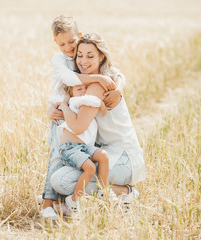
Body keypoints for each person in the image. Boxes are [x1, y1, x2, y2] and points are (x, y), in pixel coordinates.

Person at [50, 33, 145, 209]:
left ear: (102, 57)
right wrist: (53, 109)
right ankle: (80, 197)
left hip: (123, 158)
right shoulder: (90, 80)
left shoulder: (97, 85)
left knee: (61, 180)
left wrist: (63, 106)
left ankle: (123, 192)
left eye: (90, 56)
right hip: (103, 153)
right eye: (80, 55)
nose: (83, 61)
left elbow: (77, 127)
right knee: (63, 172)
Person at [40, 15, 122, 220]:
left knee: (70, 161)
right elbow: (69, 79)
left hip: (76, 115)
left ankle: (64, 201)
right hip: (60, 112)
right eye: (62, 44)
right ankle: (47, 203)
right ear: (55, 43)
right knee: (57, 157)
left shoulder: (81, 56)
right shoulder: (59, 60)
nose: (68, 47)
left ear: (79, 36)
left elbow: (117, 72)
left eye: (71, 42)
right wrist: (98, 78)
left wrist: (117, 87)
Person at [59, 83, 110, 212]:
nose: (83, 91)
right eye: (79, 89)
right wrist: (100, 103)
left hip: (84, 147)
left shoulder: (84, 107)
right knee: (90, 168)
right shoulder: (74, 101)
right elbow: (87, 99)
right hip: (70, 147)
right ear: (71, 94)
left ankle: (103, 192)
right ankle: (73, 201)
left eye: (85, 88)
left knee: (103, 156)